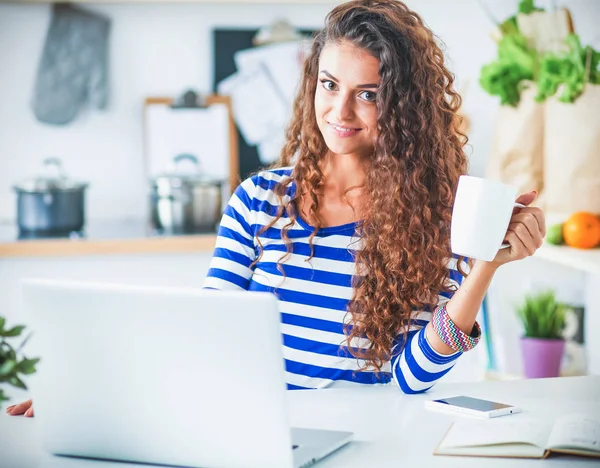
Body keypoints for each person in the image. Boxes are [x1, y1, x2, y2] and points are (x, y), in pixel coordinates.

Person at [7, 0, 545, 417]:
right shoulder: (260, 199)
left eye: (369, 94)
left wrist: (483, 269)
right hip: (255, 427)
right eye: (330, 85)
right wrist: (97, 393)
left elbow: (409, 378)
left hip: (370, 438)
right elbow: (207, 332)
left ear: (404, 106)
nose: (340, 110)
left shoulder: (434, 220)